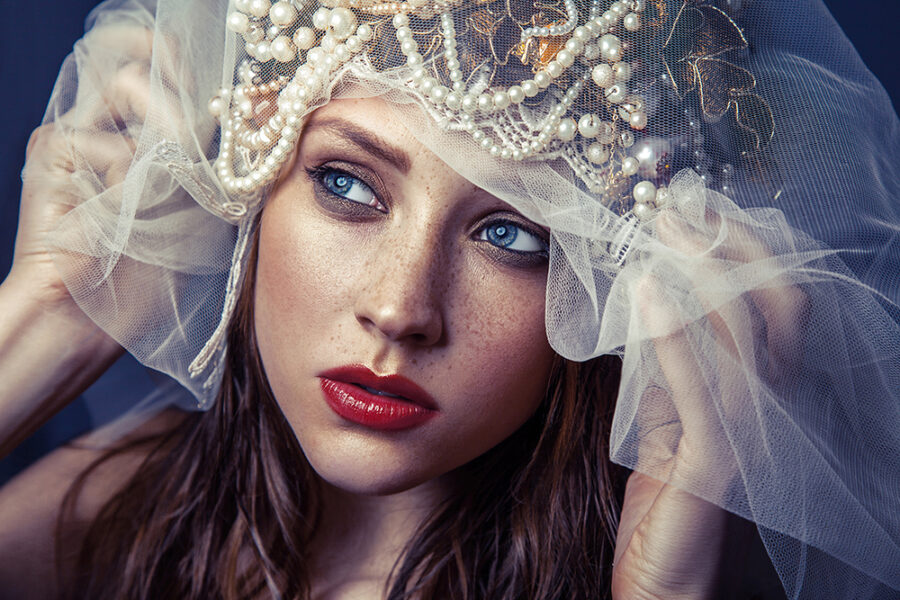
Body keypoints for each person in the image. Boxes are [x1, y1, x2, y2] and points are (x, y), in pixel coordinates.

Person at [0, 0, 898, 598]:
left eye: (511, 235)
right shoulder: (126, 509)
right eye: (348, 186)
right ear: (251, 184)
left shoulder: (687, 572)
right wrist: (36, 326)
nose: (400, 310)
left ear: (617, 286)